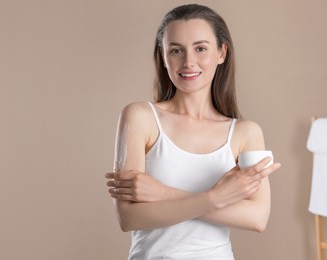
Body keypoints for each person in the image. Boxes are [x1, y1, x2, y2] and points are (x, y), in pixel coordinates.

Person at [105, 4, 281, 260]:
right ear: (163, 56)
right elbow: (129, 218)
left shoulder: (245, 133)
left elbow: (257, 218)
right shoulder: (141, 117)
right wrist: (216, 198)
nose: (188, 62)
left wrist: (164, 193)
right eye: (176, 50)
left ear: (222, 52)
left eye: (200, 48)